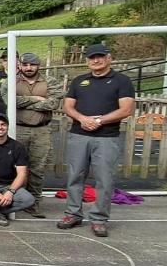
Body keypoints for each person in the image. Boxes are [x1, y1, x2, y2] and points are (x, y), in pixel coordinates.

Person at [57, 43, 136, 237]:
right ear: (87, 61)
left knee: (104, 179)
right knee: (75, 176)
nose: (96, 60)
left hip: (106, 137)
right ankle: (73, 214)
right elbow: (68, 107)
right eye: (92, 57)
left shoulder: (122, 81)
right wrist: (83, 119)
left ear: (109, 58)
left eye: (100, 56)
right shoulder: (79, 81)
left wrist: (99, 120)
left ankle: (99, 219)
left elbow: (127, 109)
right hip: (79, 134)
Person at [12, 52, 63, 218]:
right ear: (20, 65)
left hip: (42, 130)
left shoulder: (50, 82)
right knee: (14, 167)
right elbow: (11, 101)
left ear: (38, 66)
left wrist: (25, 101)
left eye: (32, 65)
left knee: (37, 168)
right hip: (18, 129)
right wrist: (36, 99)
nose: (28, 68)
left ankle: (34, 203)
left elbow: (53, 103)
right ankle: (14, 199)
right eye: (25, 65)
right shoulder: (12, 80)